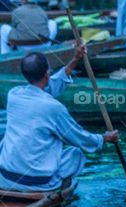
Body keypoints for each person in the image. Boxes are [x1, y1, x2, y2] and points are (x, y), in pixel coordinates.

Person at [0, 45, 118, 192]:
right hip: (38, 182)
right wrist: (103, 138)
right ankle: (59, 191)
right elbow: (78, 137)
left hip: (5, 177)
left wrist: (75, 60)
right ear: (47, 73)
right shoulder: (54, 108)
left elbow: (46, 89)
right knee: (76, 154)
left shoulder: (14, 95)